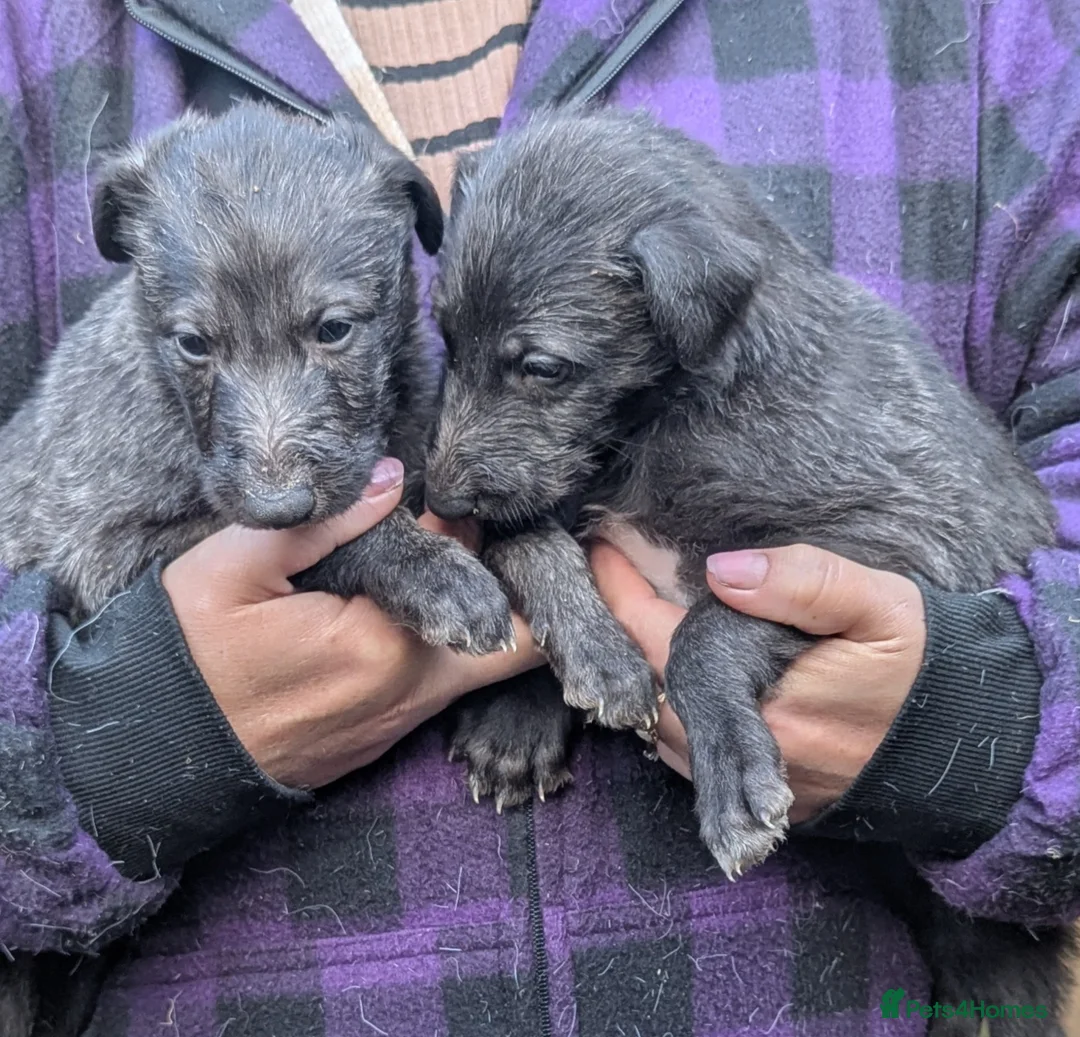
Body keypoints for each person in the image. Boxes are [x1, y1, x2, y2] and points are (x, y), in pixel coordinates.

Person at [1, 0, 1079, 1032]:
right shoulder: (35, 44)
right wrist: (121, 743)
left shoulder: (982, 28)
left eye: (338, 330)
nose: (456, 464)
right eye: (197, 344)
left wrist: (976, 727)